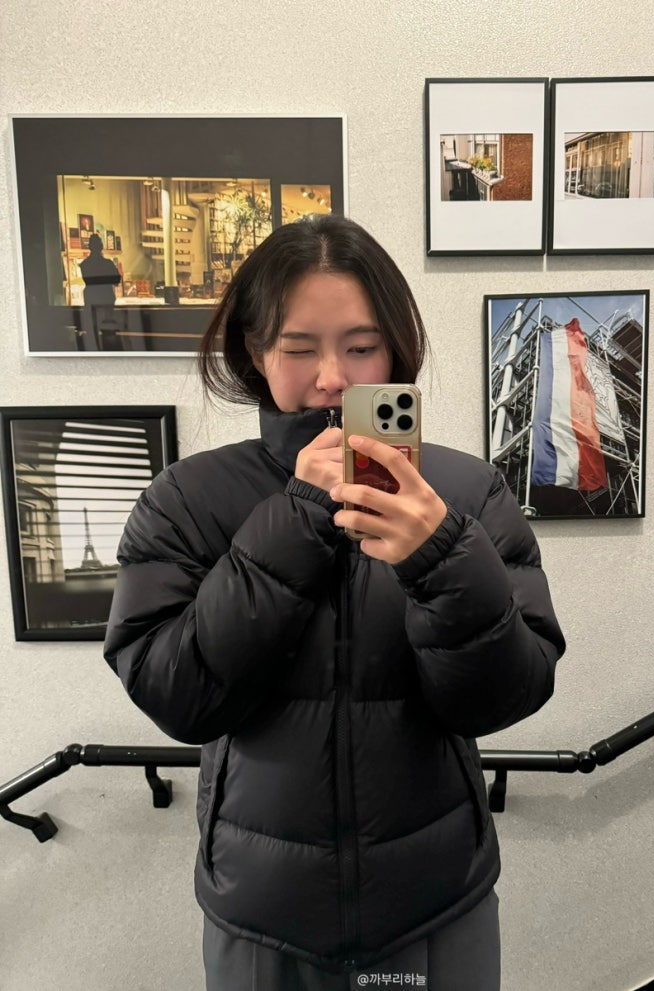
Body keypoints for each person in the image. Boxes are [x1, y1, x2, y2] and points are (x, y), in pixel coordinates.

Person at [104, 214, 565, 990]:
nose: (331, 378)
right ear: (254, 352)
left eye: (359, 346)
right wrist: (296, 518)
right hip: (261, 913)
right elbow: (177, 696)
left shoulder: (465, 492)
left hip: (435, 902)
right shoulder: (187, 499)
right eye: (298, 348)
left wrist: (439, 557)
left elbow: (506, 694)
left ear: (394, 350)